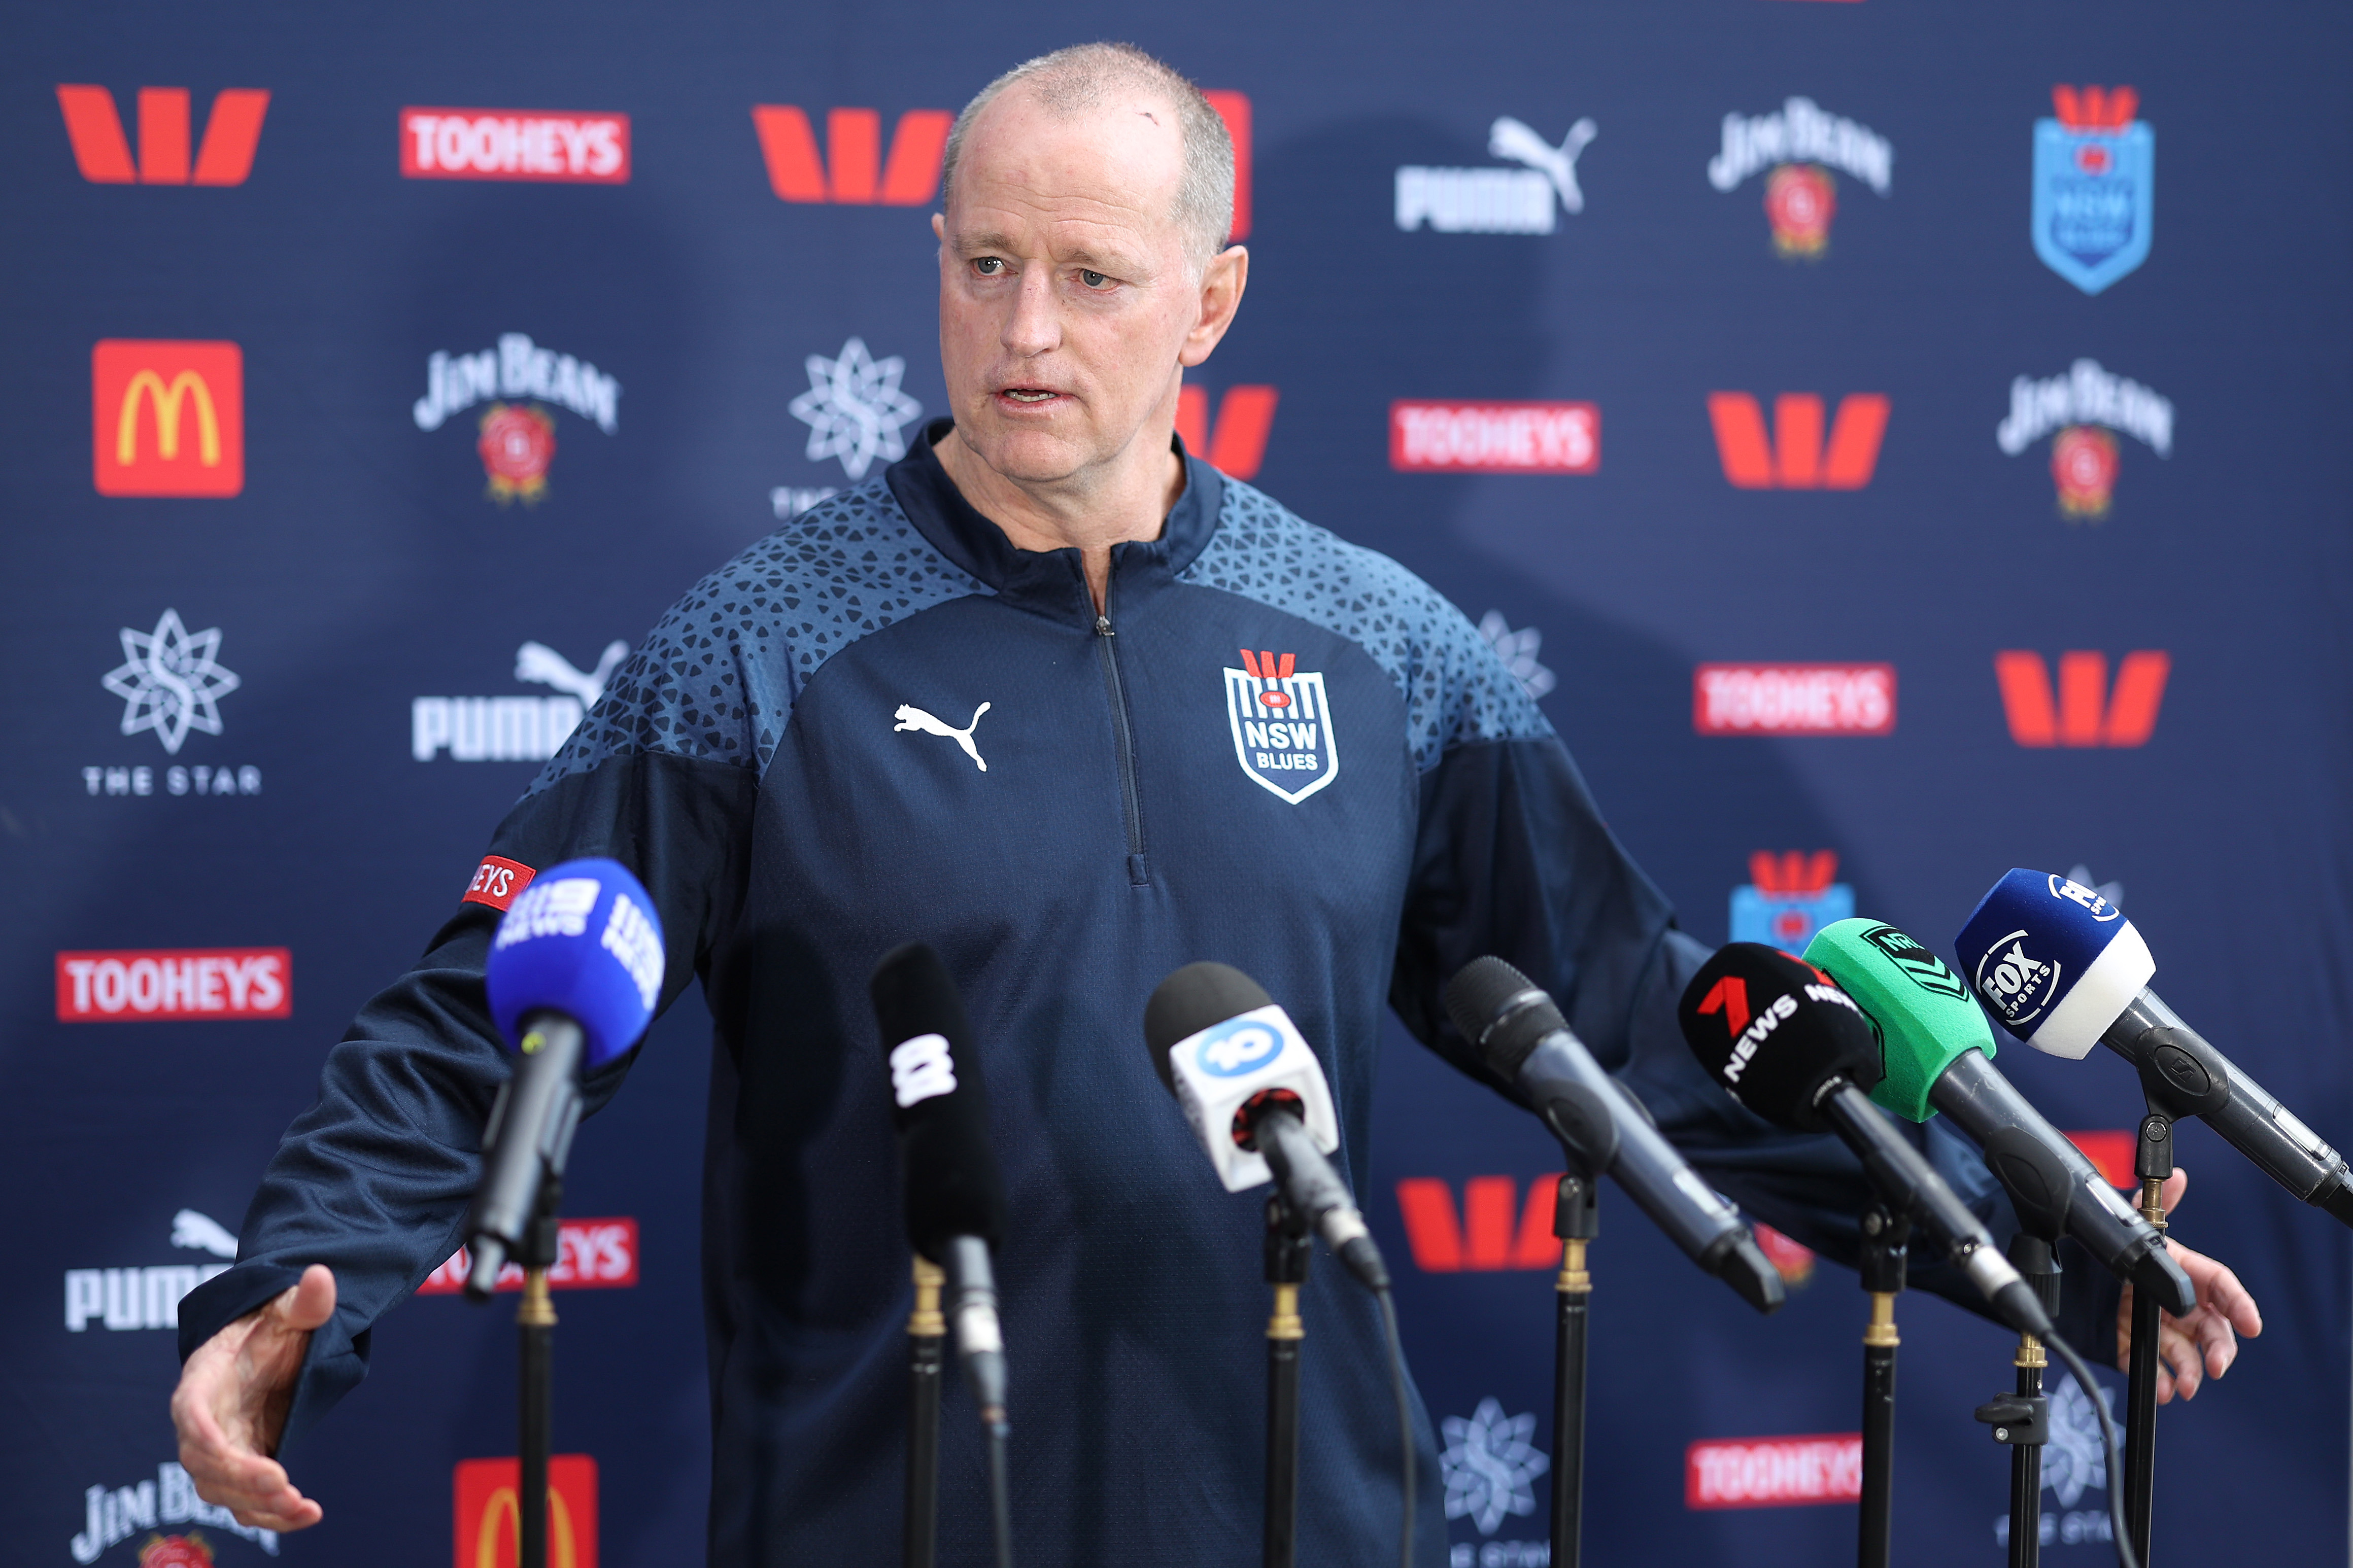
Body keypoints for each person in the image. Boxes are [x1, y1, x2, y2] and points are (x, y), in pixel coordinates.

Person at [169, 42, 2261, 1565]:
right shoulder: (757, 644)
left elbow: (1633, 1020)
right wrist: (293, 1304)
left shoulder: (1386, 643)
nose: (1021, 331)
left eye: (1088, 274)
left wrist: (2036, 1256)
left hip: (1296, 1499)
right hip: (876, 1510)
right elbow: (492, 1016)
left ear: (1210, 297)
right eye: (981, 264)